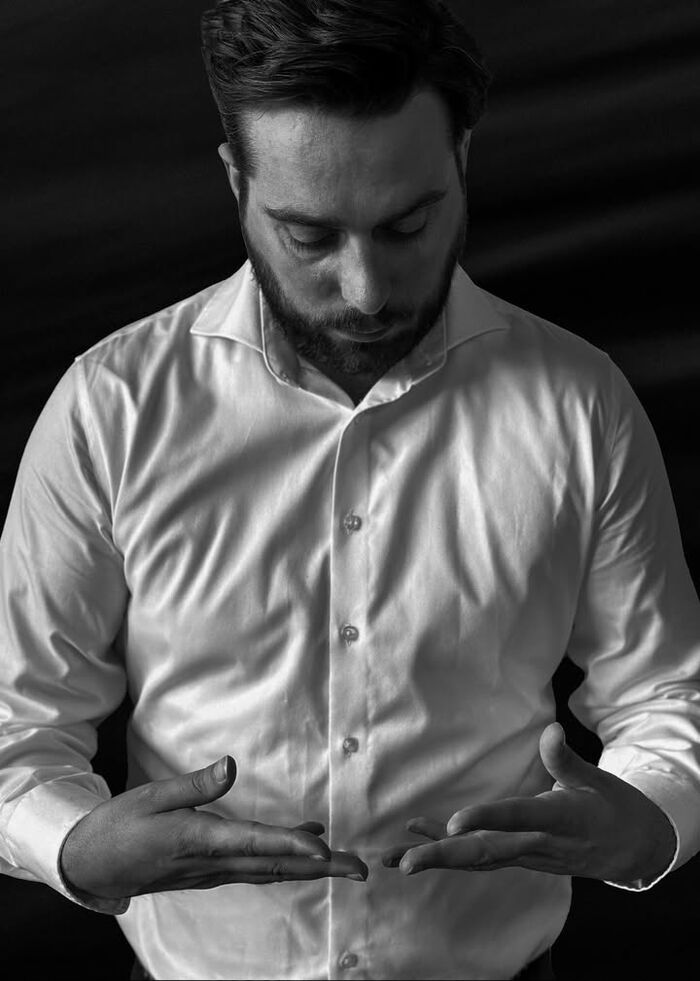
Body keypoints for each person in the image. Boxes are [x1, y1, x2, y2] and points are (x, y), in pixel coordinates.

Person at [1, 0, 699, 978]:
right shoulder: (110, 407)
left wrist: (649, 821)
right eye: (308, 235)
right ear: (236, 181)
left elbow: (669, 694)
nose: (367, 289)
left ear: (463, 158)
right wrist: (74, 845)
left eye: (407, 224)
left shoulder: (581, 404)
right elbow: (16, 727)